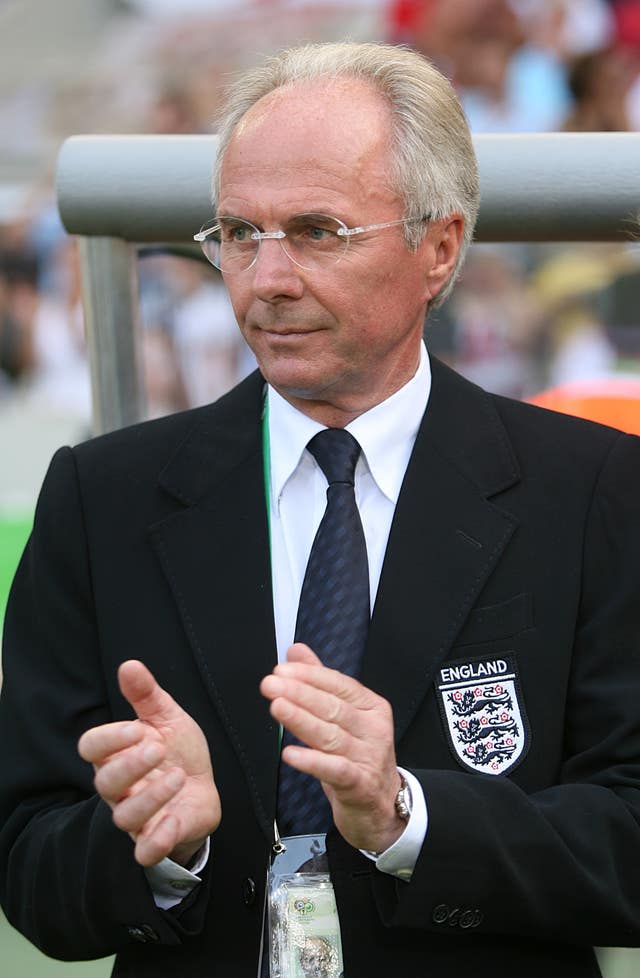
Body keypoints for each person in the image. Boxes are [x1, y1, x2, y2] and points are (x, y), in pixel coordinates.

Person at [1, 40, 640, 978]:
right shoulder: (104, 498)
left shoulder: (593, 490)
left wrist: (409, 816)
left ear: (440, 247)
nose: (267, 280)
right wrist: (161, 849)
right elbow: (28, 858)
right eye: (236, 234)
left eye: (317, 231)